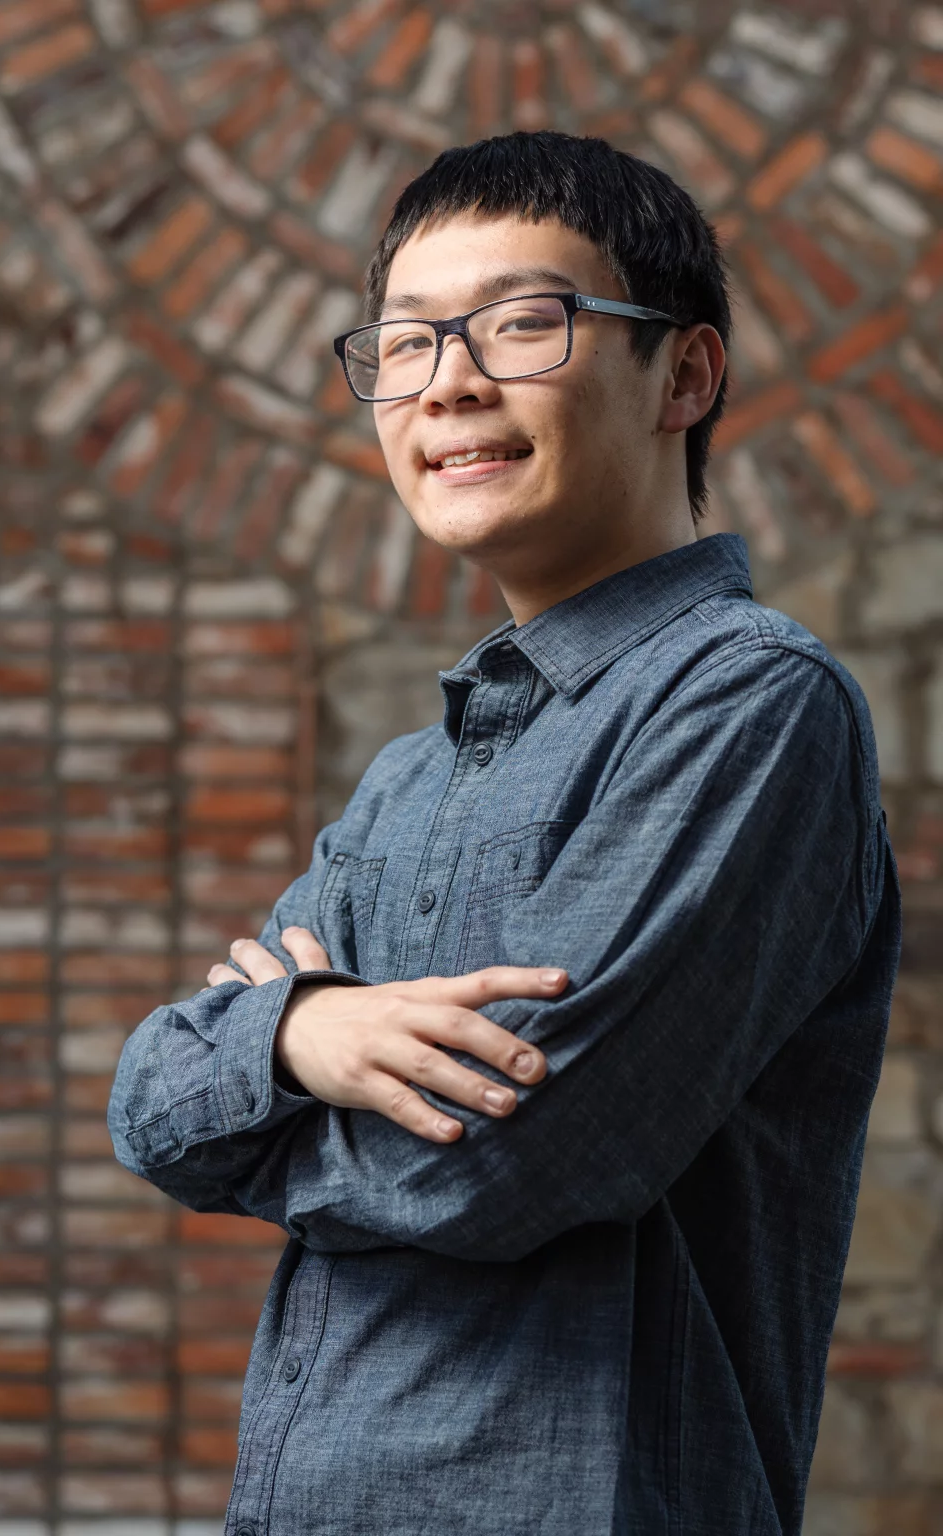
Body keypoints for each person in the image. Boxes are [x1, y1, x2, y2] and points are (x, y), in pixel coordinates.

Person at [109, 131, 901, 1536]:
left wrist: (260, 1087)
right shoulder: (412, 778)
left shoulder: (754, 705)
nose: (449, 382)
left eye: (525, 323)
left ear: (687, 375)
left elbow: (505, 1161)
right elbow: (147, 1104)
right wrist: (301, 1040)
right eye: (406, 344)